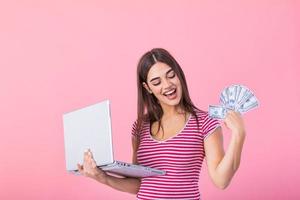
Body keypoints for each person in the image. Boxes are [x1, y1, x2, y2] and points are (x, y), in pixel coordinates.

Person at [77, 48, 246, 200]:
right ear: (148, 88)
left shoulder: (204, 123)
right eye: (157, 82)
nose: (167, 85)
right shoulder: (140, 126)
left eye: (171, 75)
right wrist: (103, 177)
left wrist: (239, 135)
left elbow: (221, 181)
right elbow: (139, 185)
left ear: (179, 74)